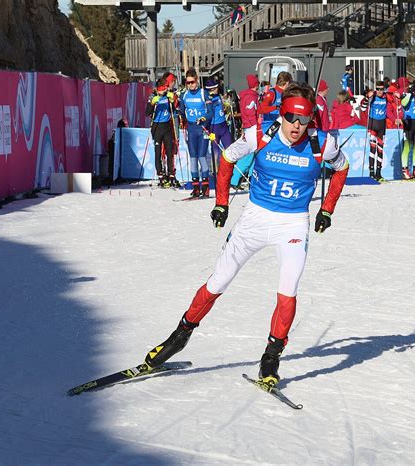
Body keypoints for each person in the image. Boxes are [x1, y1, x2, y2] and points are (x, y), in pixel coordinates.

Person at [142, 83, 350, 388]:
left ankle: (271, 358)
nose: (297, 126)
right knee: (218, 282)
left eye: (304, 120)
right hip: (254, 219)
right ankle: (178, 337)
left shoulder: (322, 143)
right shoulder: (259, 134)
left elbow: (342, 169)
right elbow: (227, 159)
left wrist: (327, 209)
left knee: (288, 289)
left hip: (292, 223)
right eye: (292, 117)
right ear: (283, 113)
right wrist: (222, 204)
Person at [179, 68, 214, 197]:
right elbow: (182, 112)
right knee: (193, 158)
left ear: (197, 81)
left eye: (192, 82)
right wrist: (178, 108)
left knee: (202, 157)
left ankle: (205, 187)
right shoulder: (184, 95)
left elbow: (211, 112)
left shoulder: (203, 93)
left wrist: (204, 118)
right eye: (187, 83)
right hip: (192, 128)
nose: (190, 85)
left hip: (203, 128)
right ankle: (196, 188)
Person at [227, 74, 260, 189]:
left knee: (255, 155)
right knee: (248, 156)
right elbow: (250, 113)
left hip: (250, 127)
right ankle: (234, 179)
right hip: (251, 128)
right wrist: (255, 127)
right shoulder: (251, 97)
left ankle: (252, 178)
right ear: (256, 85)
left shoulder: (250, 96)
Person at [145, 79, 176, 187]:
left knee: (169, 152)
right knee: (158, 152)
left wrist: (174, 101)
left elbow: (176, 108)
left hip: (167, 126)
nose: (163, 91)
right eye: (162, 89)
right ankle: (160, 176)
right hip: (157, 127)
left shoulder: (168, 96)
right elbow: (147, 112)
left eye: (165, 88)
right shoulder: (153, 96)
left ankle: (171, 175)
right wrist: (152, 103)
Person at [360, 80, 387, 181]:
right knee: (372, 149)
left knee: (380, 149)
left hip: (382, 126)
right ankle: (371, 172)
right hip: (372, 125)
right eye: (378, 89)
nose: (380, 91)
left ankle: (378, 173)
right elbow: (363, 108)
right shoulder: (373, 96)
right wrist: (367, 97)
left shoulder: (386, 97)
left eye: (381, 89)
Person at [205, 78, 232, 168]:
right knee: (215, 152)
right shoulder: (209, 99)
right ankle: (215, 171)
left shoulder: (218, 96)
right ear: (211, 89)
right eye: (215, 88)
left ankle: (229, 169)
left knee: (229, 149)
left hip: (223, 126)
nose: (217, 89)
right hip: (214, 127)